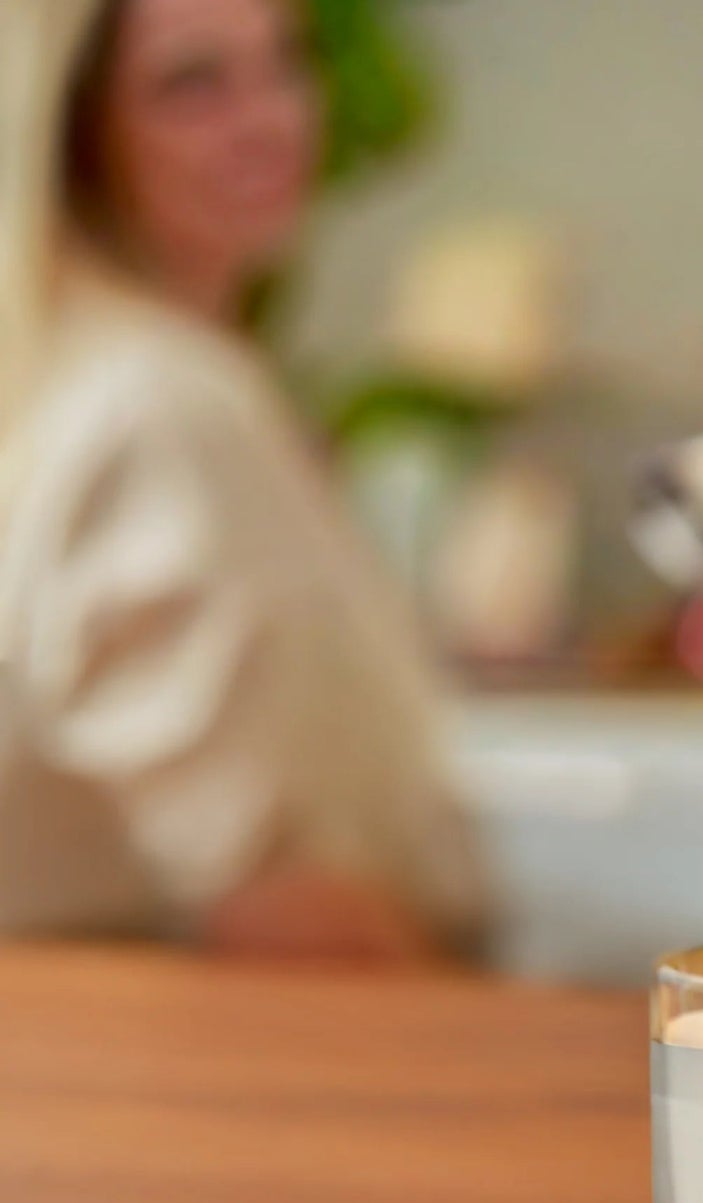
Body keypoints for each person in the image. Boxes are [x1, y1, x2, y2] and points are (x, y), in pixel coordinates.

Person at [0, 0, 489, 960]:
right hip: (189, 1033)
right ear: (74, 134)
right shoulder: (157, 408)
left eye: (283, 65)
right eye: (193, 83)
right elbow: (278, 899)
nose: (271, 121)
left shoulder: (89, 376)